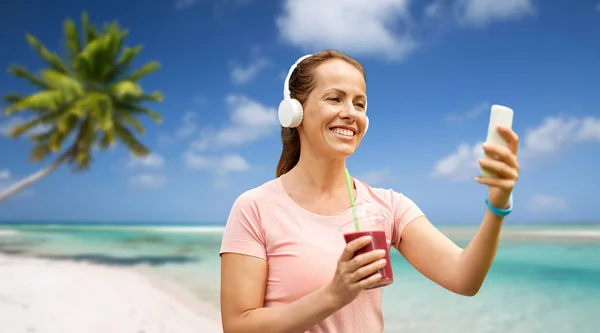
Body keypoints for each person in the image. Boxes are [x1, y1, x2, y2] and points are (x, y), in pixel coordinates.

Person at [219, 50, 520, 333]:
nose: (350, 113)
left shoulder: (387, 206)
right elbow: (237, 325)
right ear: (294, 112)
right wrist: (332, 296)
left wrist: (496, 205)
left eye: (359, 103)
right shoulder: (255, 208)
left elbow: (463, 278)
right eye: (335, 99)